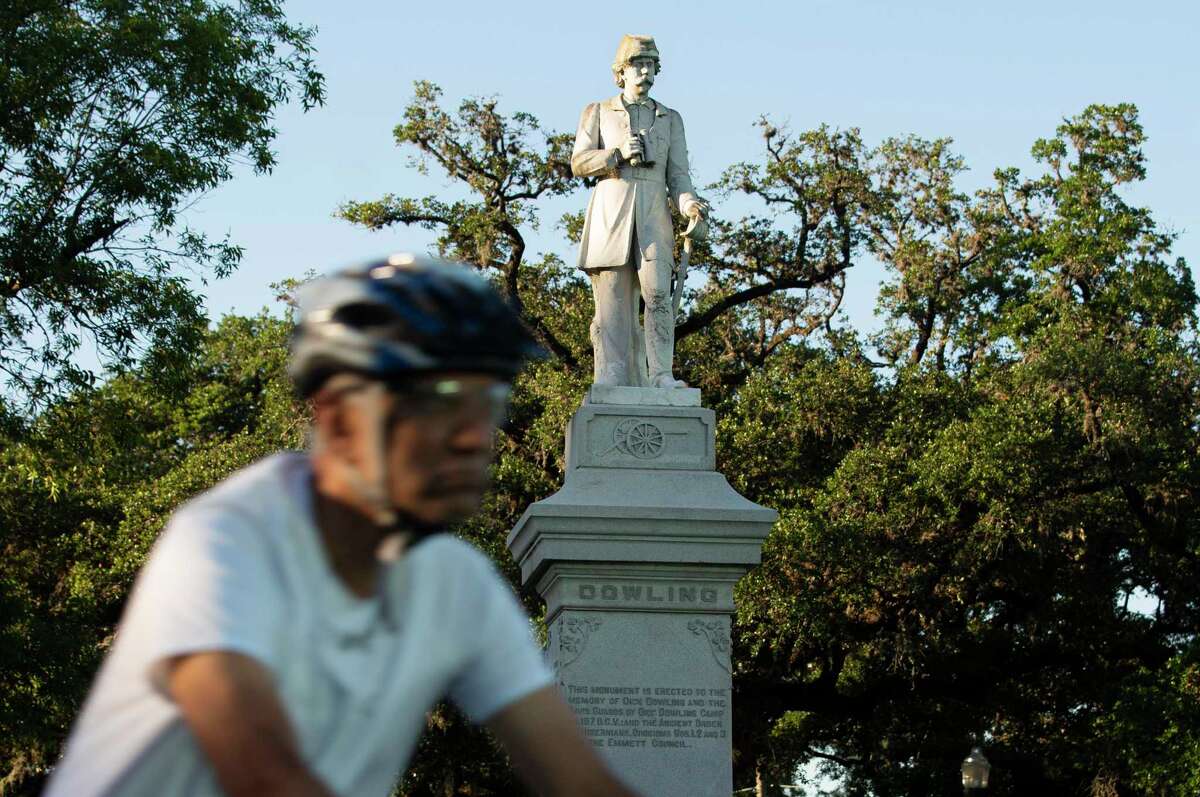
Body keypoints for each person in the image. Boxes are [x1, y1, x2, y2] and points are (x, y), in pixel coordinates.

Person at [45, 254, 638, 797]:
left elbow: (582, 782)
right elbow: (265, 777)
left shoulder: (455, 583)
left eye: (487, 403)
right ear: (336, 414)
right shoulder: (227, 539)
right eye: (436, 400)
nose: (470, 437)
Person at [571, 34, 709, 389]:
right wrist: (614, 154)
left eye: (651, 65)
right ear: (622, 70)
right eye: (638, 64)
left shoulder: (669, 118)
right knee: (613, 301)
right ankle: (611, 373)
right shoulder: (598, 111)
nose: (646, 71)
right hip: (611, 209)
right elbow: (578, 163)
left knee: (659, 294)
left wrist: (689, 204)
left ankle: (661, 373)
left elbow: (678, 176)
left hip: (653, 211)